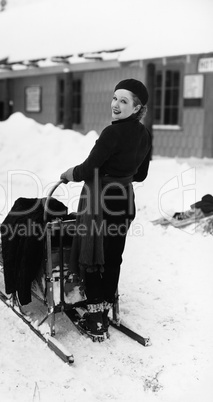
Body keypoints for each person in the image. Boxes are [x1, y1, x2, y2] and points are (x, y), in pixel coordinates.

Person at [60, 78, 152, 340]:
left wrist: (70, 173)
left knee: (93, 259)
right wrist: (121, 176)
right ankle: (107, 307)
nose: (116, 105)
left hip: (101, 203)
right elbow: (142, 174)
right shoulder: (145, 134)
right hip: (124, 202)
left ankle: (95, 318)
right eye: (115, 98)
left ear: (137, 108)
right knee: (113, 257)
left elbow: (88, 169)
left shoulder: (112, 133)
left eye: (124, 101)